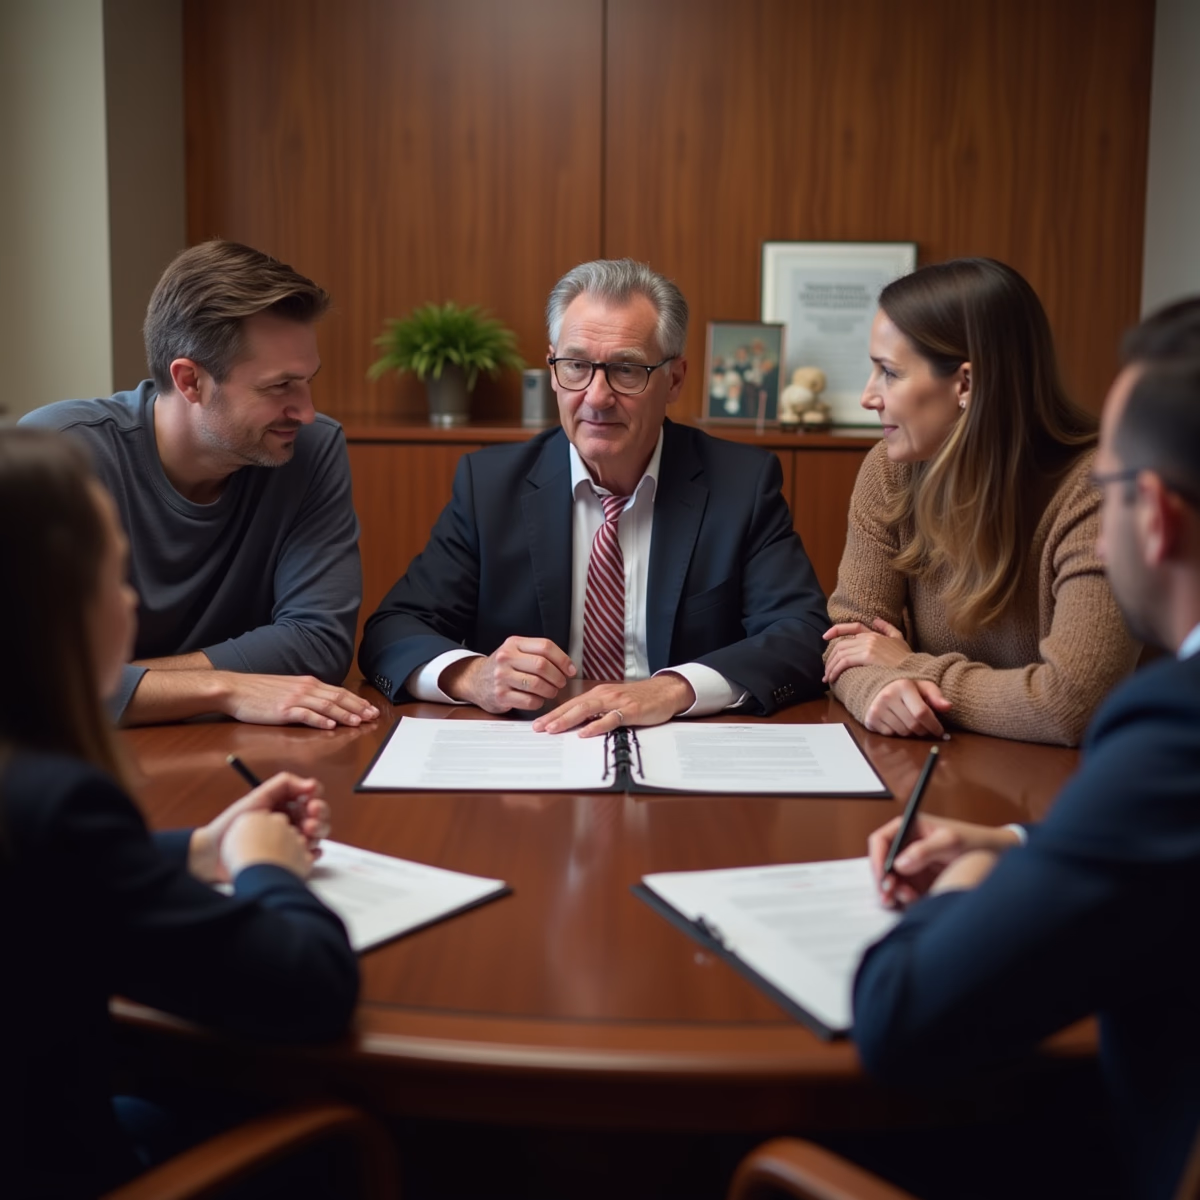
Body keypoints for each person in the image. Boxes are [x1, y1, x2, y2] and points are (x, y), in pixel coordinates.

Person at [852, 320, 1200, 1199]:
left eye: (1109, 485)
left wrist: (973, 878)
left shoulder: (1175, 733)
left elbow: (902, 1017)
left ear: (1153, 517)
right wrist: (1026, 845)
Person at [0, 428, 359, 1197]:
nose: (132, 601)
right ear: (50, 611)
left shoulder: (31, 808)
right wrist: (265, 863)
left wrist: (198, 848)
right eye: (112, 575)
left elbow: (45, 870)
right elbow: (310, 990)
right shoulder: (62, 802)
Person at [359, 258, 829, 734]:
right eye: (577, 366)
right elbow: (392, 630)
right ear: (552, 367)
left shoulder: (741, 483)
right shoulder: (490, 486)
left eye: (626, 370)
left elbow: (802, 634)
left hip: (682, 745)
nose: (597, 397)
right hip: (536, 753)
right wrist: (473, 676)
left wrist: (674, 689)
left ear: (676, 379)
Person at [20, 239, 379, 732]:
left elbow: (319, 644)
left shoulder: (311, 450)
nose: (306, 411)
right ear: (190, 380)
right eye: (279, 386)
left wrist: (117, 685)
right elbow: (25, 681)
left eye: (307, 380)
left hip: (223, 752)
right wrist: (226, 687)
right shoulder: (59, 454)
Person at [823, 258, 1138, 745]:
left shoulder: (1099, 492)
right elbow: (848, 644)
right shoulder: (889, 468)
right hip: (938, 763)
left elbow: (1072, 704)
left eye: (889, 373)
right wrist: (879, 692)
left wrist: (910, 667)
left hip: (1072, 789)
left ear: (965, 384)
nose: (868, 396)